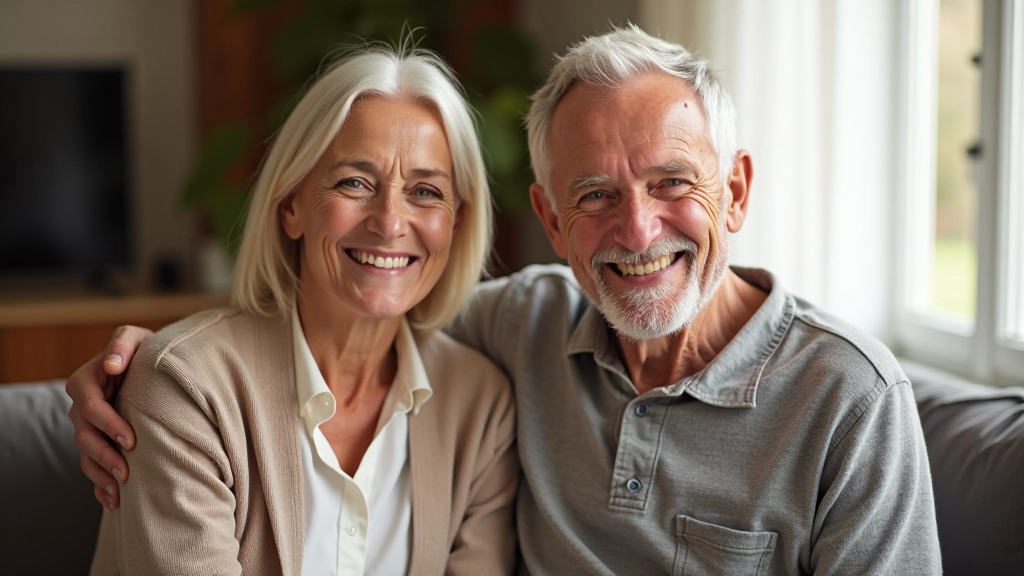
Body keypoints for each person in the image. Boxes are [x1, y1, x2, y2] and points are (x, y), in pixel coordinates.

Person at [68, 26, 941, 575]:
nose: (638, 231)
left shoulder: (852, 401)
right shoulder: (518, 333)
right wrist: (150, 363)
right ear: (551, 222)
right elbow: (351, 317)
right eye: (595, 195)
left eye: (673, 182)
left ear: (737, 193)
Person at [81, 45, 518, 575]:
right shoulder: (185, 386)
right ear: (291, 206)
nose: (390, 221)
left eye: (426, 192)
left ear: (456, 224)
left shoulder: (482, 406)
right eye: (355, 183)